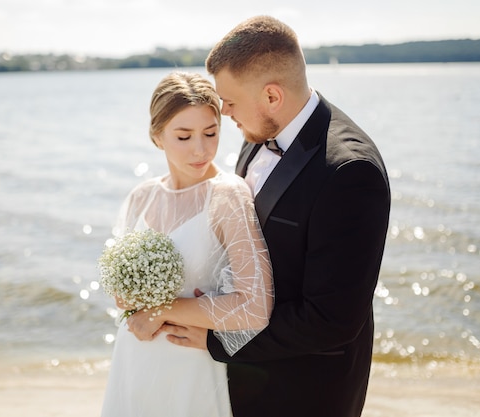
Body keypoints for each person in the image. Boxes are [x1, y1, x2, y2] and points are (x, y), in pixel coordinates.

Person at [151, 16, 391, 417]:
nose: (223, 111)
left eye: (229, 100)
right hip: (241, 384)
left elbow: (331, 321)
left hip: (303, 390)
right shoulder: (260, 132)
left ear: (273, 97)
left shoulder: (350, 173)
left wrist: (216, 339)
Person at [100, 71, 273, 417]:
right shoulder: (142, 197)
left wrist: (159, 311)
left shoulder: (228, 196)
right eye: (184, 136)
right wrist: (132, 300)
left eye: (211, 133)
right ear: (157, 135)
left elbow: (256, 305)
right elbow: (120, 291)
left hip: (191, 367)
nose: (201, 149)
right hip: (134, 358)